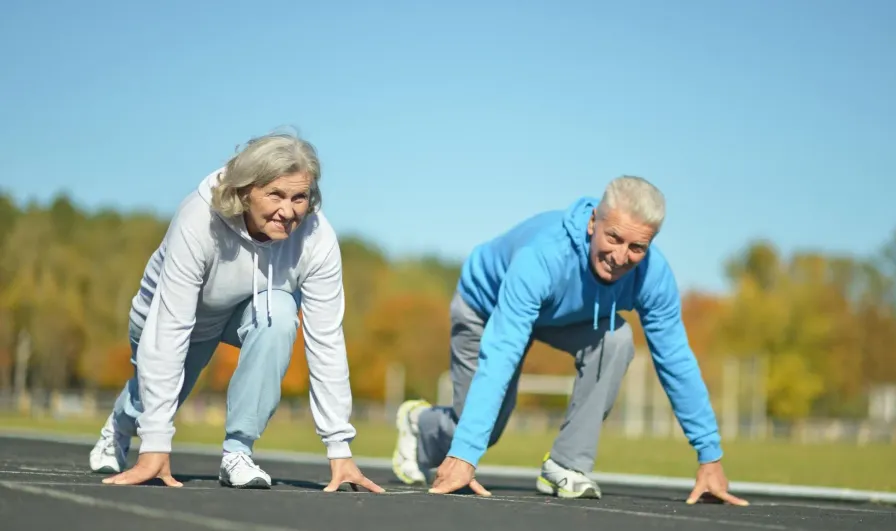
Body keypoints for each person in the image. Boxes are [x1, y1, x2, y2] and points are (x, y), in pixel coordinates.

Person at [391, 175, 748, 505]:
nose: (621, 257)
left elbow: (675, 360)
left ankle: (566, 465)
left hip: (559, 315)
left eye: (637, 247)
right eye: (613, 238)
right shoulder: (543, 257)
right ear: (594, 222)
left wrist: (710, 455)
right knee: (486, 426)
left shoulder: (652, 277)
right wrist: (466, 454)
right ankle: (420, 422)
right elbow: (501, 353)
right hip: (484, 306)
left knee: (618, 338)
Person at [88, 131, 383, 493]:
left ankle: (238, 453)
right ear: (245, 191)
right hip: (170, 316)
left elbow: (326, 342)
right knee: (154, 394)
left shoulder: (317, 239)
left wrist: (340, 448)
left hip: (243, 311)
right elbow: (169, 330)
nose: (288, 211)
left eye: (299, 197)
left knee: (280, 312)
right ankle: (119, 427)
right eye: (275, 194)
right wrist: (155, 446)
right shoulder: (199, 219)